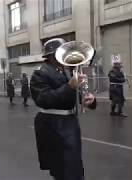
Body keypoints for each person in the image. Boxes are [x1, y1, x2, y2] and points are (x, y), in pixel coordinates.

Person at [30, 38, 97, 180]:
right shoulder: (40, 72)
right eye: (62, 53)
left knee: (74, 166)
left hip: (69, 124)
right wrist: (70, 86)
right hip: (53, 125)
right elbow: (43, 99)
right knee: (63, 169)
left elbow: (75, 95)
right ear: (50, 55)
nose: (66, 56)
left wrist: (89, 100)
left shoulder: (65, 71)